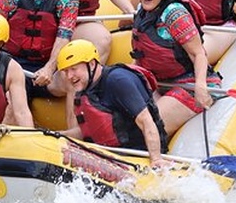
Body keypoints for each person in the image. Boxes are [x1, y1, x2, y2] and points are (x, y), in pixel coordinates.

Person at [130, 0, 222, 137]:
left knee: (149, 126)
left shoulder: (174, 14)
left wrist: (201, 86)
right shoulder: (142, 11)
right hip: (160, 82)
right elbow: (141, 54)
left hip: (189, 83)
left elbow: (198, 53)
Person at [56, 39, 170, 168]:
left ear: (92, 64)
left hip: (138, 156)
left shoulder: (118, 80)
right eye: (66, 71)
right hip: (112, 156)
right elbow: (90, 131)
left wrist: (155, 159)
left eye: (74, 69)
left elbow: (146, 121)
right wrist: (56, 136)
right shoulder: (86, 86)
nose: (70, 76)